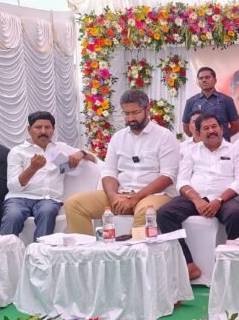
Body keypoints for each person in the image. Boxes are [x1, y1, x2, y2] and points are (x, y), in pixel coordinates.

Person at [65, 90, 180, 234]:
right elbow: (109, 171)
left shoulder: (165, 137)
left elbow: (168, 176)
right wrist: (113, 196)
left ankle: (133, 249)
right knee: (74, 204)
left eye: (135, 112)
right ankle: (86, 248)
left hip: (154, 196)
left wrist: (134, 199)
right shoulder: (118, 137)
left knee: (145, 212)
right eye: (126, 113)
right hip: (121, 194)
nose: (130, 118)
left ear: (147, 109)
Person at [157, 113, 239, 279]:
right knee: (164, 214)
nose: (211, 131)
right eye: (206, 128)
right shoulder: (190, 151)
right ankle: (188, 264)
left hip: (224, 199)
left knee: (235, 214)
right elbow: (182, 181)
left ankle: (234, 266)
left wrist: (219, 200)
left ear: (222, 129)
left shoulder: (235, 151)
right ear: (198, 133)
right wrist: (196, 200)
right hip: (195, 198)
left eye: (214, 126)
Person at [1, 111, 96, 240]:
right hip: (19, 197)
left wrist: (81, 153)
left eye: (47, 127)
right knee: (13, 215)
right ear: (29, 130)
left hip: (49, 199)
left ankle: (40, 251)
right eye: (38, 127)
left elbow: (93, 159)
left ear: (53, 129)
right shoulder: (18, 152)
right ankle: (6, 251)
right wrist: (32, 168)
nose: (43, 131)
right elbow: (13, 187)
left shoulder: (58, 149)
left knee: (47, 211)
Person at [182, 67, 239, 141]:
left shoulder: (226, 100)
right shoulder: (191, 101)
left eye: (207, 77)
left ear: (215, 80)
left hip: (221, 144)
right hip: (199, 145)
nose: (204, 80)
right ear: (198, 81)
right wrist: (198, 139)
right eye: (201, 78)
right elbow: (186, 127)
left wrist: (220, 137)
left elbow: (236, 126)